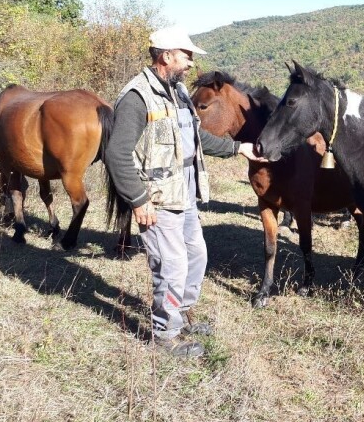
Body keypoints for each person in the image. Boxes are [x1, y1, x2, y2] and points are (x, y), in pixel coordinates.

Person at [105, 26, 265, 357]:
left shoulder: (177, 93)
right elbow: (117, 154)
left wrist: (238, 149)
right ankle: (165, 337)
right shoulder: (137, 97)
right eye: (186, 55)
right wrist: (138, 200)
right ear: (166, 56)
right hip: (157, 199)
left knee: (197, 256)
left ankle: (181, 314)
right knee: (172, 264)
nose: (191, 63)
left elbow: (196, 139)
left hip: (186, 194)